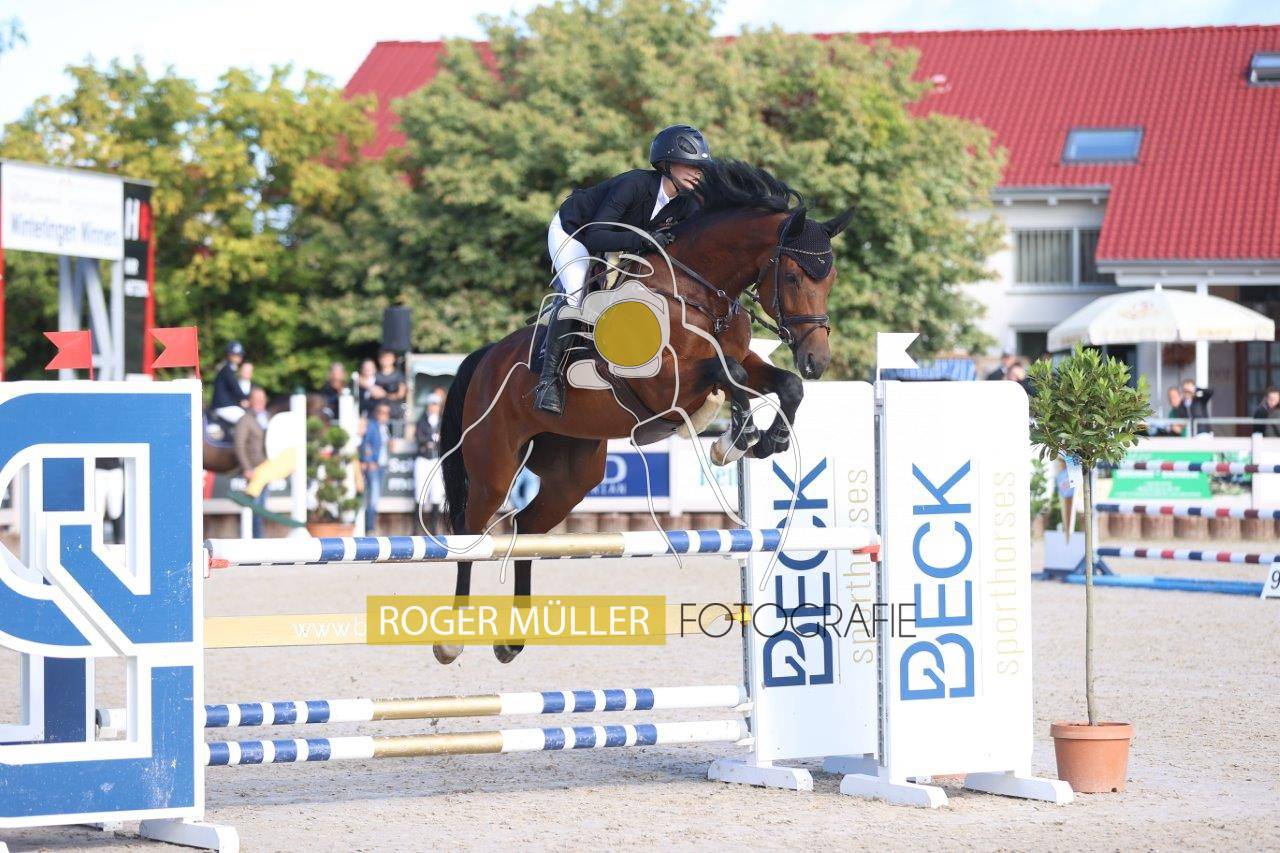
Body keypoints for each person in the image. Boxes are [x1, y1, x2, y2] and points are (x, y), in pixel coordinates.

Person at [535, 125, 713, 416]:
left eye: (700, 168)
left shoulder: (686, 204)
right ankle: (548, 381)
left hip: (614, 240)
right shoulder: (634, 185)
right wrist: (645, 240)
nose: (697, 173)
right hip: (574, 230)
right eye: (690, 165)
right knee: (576, 293)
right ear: (667, 164)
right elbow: (594, 237)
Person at [234, 386, 270, 539]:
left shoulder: (267, 417)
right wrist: (247, 468)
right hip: (253, 470)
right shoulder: (245, 420)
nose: (260, 402)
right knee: (253, 508)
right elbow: (239, 445)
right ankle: (254, 539)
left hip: (266, 470)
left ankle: (259, 539)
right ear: (250, 401)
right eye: (256, 399)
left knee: (261, 508)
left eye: (262, 399)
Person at [413, 392, 445, 532]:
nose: (433, 407)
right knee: (420, 493)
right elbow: (420, 439)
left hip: (437, 460)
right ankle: (415, 528)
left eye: (436, 404)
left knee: (436, 493)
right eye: (431, 404)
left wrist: (432, 441)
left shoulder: (443, 421)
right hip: (423, 459)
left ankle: (433, 528)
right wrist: (432, 440)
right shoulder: (422, 420)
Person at [360, 401, 391, 534]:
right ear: (377, 413)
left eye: (387, 413)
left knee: (376, 497)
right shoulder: (372, 426)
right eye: (382, 413)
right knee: (373, 497)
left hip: (382, 465)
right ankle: (369, 528)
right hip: (374, 466)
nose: (385, 415)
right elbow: (365, 444)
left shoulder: (385, 428)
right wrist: (368, 461)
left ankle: (371, 526)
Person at [211, 341, 248, 426]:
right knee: (246, 419)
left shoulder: (230, 368)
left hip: (228, 405)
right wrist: (246, 398)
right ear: (229, 355)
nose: (239, 357)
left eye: (240, 355)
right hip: (224, 406)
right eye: (236, 355)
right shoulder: (227, 370)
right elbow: (235, 388)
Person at [374, 350, 408, 424]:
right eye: (384, 357)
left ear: (393, 359)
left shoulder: (399, 375)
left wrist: (384, 394)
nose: (386, 360)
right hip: (379, 414)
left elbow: (401, 394)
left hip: (396, 412)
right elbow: (373, 393)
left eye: (388, 357)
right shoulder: (375, 375)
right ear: (379, 359)